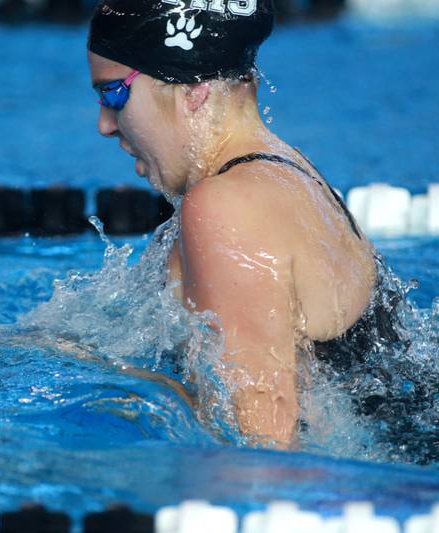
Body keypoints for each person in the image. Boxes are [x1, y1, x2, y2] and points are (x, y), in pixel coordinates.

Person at [87, 0, 388, 449]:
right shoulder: (283, 169)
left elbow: (259, 444)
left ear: (192, 87)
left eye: (113, 94)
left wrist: (118, 380)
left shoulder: (227, 206)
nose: (105, 125)